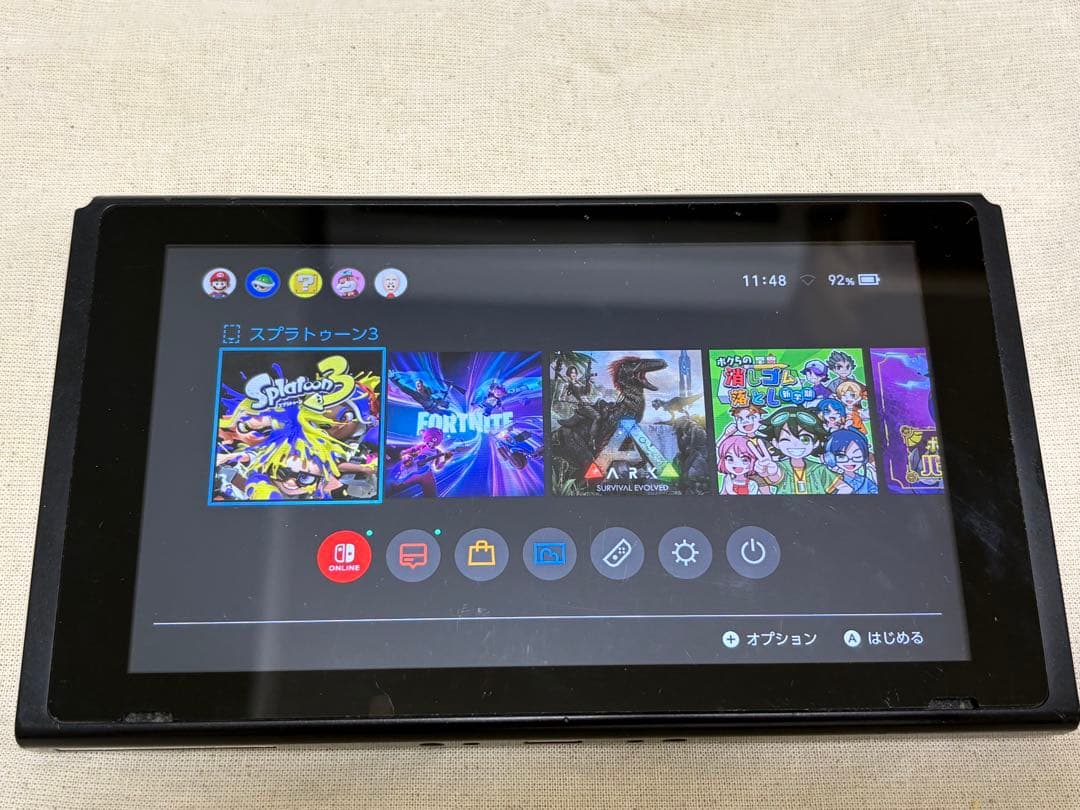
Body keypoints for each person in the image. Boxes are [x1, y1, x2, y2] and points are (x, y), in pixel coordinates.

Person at [754, 405, 832, 495]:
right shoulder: (780, 467)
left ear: (816, 443)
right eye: (786, 439)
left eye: (805, 439)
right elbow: (776, 476)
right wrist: (771, 473)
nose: (795, 445)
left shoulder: (819, 469)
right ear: (776, 443)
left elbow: (841, 487)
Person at [824, 427, 878, 494]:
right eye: (841, 457)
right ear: (831, 458)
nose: (849, 461)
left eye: (857, 456)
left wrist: (875, 475)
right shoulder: (833, 480)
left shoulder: (865, 481)